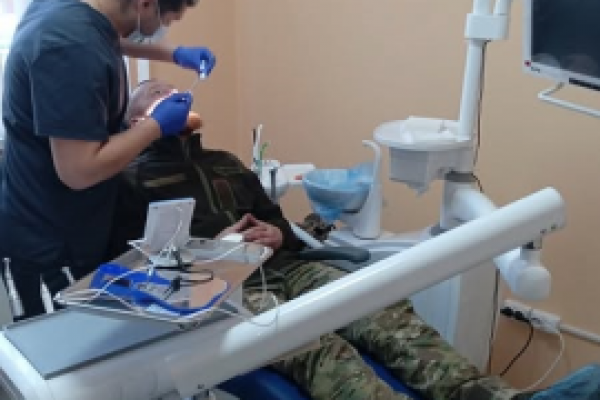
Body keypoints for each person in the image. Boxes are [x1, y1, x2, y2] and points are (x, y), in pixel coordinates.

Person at [106, 78, 538, 400]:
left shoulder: (226, 163)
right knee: (315, 343)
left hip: (283, 266)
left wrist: (277, 234)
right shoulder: (129, 181)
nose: (175, 93)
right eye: (158, 92)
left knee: (379, 309)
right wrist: (215, 250)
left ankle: (484, 394)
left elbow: (282, 226)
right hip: (223, 291)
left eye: (176, 88)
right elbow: (137, 267)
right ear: (140, 122)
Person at [0, 0, 217, 320]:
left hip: (77, 229)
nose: (165, 29)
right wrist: (155, 126)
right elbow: (78, 170)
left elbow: (107, 38)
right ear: (146, 4)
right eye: (168, 20)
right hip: (48, 249)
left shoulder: (70, 13)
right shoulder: (71, 49)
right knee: (62, 345)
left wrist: (174, 54)